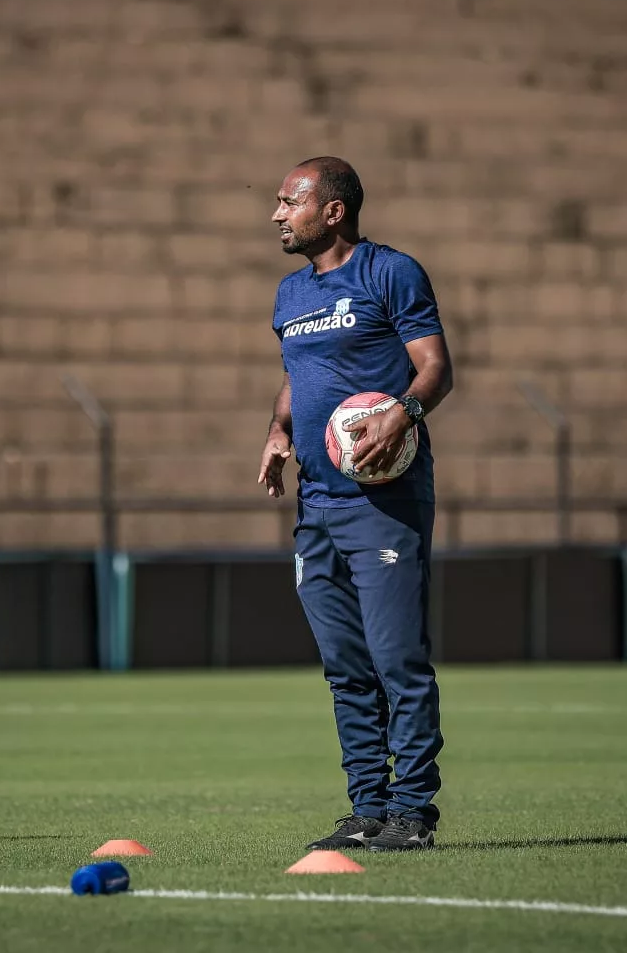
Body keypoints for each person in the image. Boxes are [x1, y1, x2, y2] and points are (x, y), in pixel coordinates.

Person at [257, 157, 454, 851]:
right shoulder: (288, 294)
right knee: (345, 665)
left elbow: (435, 368)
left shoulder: (390, 273)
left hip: (384, 502)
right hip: (316, 505)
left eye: (289, 202)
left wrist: (401, 413)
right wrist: (281, 430)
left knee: (397, 660)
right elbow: (297, 376)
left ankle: (413, 813)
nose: (278, 214)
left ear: (332, 210)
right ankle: (367, 806)